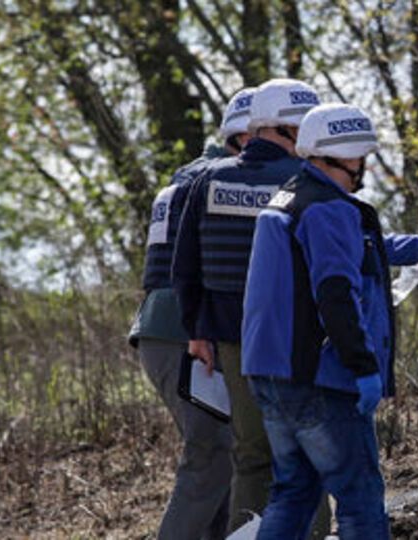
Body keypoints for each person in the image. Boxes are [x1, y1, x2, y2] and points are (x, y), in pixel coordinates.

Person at [241, 103, 418, 539]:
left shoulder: (291, 196)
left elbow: (353, 245)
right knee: (359, 500)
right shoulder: (328, 208)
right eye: (363, 158)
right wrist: (363, 365)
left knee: (293, 492)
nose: (364, 167)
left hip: (270, 374)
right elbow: (335, 294)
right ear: (349, 157)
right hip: (321, 379)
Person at [172, 78, 327, 534]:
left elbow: (185, 268)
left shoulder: (208, 180)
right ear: (285, 130)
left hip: (232, 339)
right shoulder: (304, 183)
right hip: (295, 337)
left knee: (251, 453)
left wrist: (197, 332)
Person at [127, 86, 254, 539]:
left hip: (160, 331)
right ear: (247, 137)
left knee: (225, 454)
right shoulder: (224, 179)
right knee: (212, 455)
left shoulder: (189, 175)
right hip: (186, 333)